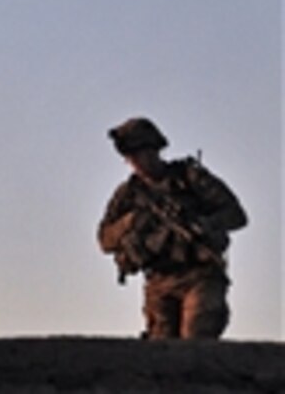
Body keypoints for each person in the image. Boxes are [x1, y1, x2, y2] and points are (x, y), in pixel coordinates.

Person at [97, 117, 247, 339]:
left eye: (140, 154)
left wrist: (205, 224)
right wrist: (131, 222)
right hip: (159, 282)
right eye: (130, 157)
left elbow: (237, 216)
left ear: (154, 150)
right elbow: (104, 240)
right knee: (162, 353)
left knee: (197, 337)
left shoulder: (190, 179)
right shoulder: (128, 194)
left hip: (200, 275)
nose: (136, 162)